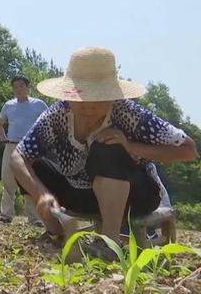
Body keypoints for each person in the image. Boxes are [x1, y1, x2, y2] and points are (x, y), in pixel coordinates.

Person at [10, 47, 198, 252]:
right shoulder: (57, 115)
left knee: (107, 147)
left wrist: (129, 146)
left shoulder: (128, 113)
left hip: (134, 196)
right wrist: (41, 194)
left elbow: (188, 149)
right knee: (34, 165)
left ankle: (109, 242)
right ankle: (57, 233)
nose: (89, 106)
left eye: (98, 98)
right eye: (83, 97)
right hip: (81, 194)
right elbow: (18, 156)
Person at [0, 75, 48, 224]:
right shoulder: (9, 105)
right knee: (7, 180)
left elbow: (48, 122)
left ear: (27, 87)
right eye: (15, 86)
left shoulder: (38, 104)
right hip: (11, 145)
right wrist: (3, 138)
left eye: (21, 86)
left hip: (30, 147)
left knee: (30, 180)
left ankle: (34, 218)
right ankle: (6, 216)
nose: (18, 89)